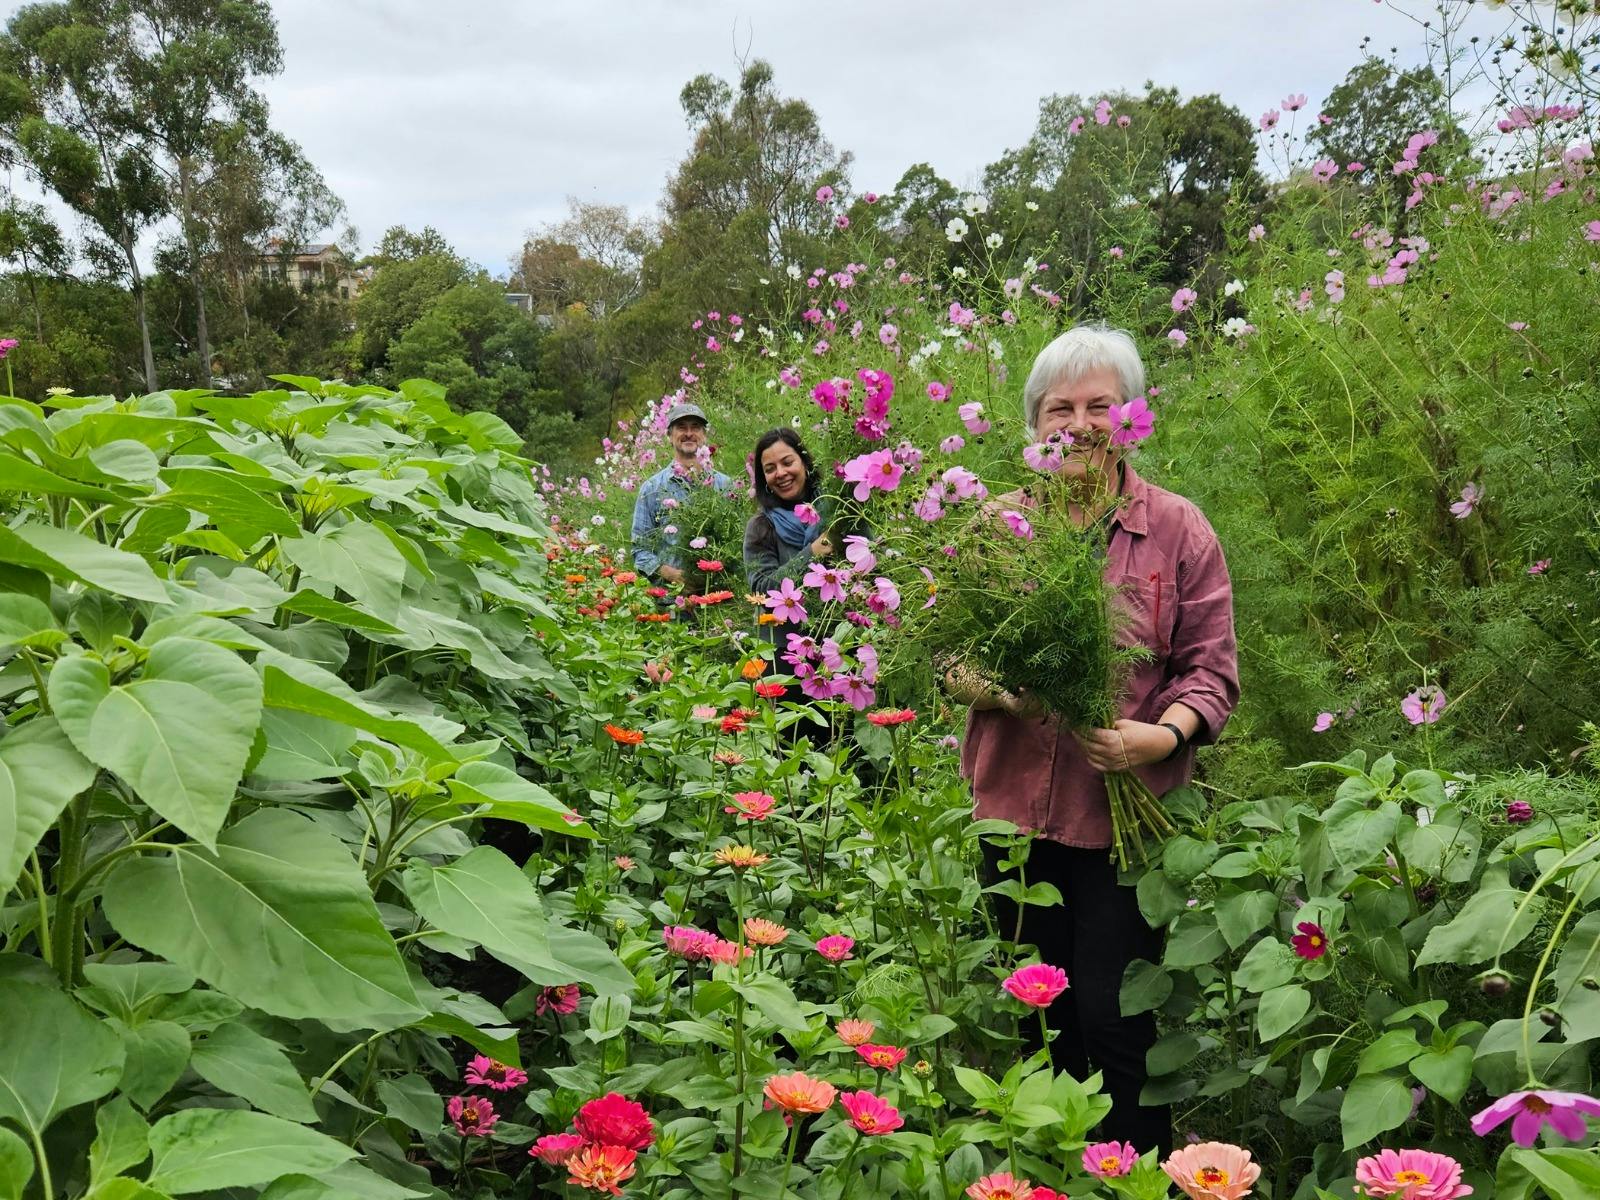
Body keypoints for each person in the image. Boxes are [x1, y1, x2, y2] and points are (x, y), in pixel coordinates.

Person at [942, 323, 1238, 1157]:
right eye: (1058, 408)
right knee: (1040, 1012)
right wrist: (992, 686)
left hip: (1122, 823)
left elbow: (1211, 670)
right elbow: (946, 652)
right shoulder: (998, 527)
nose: (1079, 422)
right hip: (1010, 814)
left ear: (1132, 417)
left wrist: (1160, 736)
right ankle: (1050, 1168)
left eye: (1100, 404)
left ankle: (1137, 1170)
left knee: (1115, 1020)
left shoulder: (1179, 530)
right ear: (1035, 427)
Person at [629, 401, 734, 585]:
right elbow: (640, 550)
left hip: (721, 596)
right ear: (670, 435)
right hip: (672, 602)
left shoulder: (725, 485)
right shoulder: (652, 489)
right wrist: (672, 575)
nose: (688, 433)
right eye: (681, 427)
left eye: (695, 427)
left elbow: (738, 541)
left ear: (704, 435)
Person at [743, 428, 834, 633]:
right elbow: (761, 590)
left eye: (787, 462)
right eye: (769, 469)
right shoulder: (761, 525)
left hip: (840, 636)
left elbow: (870, 561)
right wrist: (811, 554)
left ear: (804, 462)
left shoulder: (836, 509)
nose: (780, 473)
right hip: (783, 643)